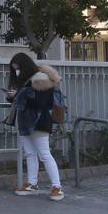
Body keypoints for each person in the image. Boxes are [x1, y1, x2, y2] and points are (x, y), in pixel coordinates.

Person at [5, 52, 65, 201]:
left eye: (18, 68)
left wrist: (18, 95)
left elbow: (42, 102)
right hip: (25, 121)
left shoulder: (40, 78)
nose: (16, 71)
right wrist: (13, 95)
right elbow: (18, 101)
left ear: (24, 66)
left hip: (38, 121)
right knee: (30, 154)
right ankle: (32, 184)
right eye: (14, 69)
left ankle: (57, 186)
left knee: (44, 154)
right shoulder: (25, 81)